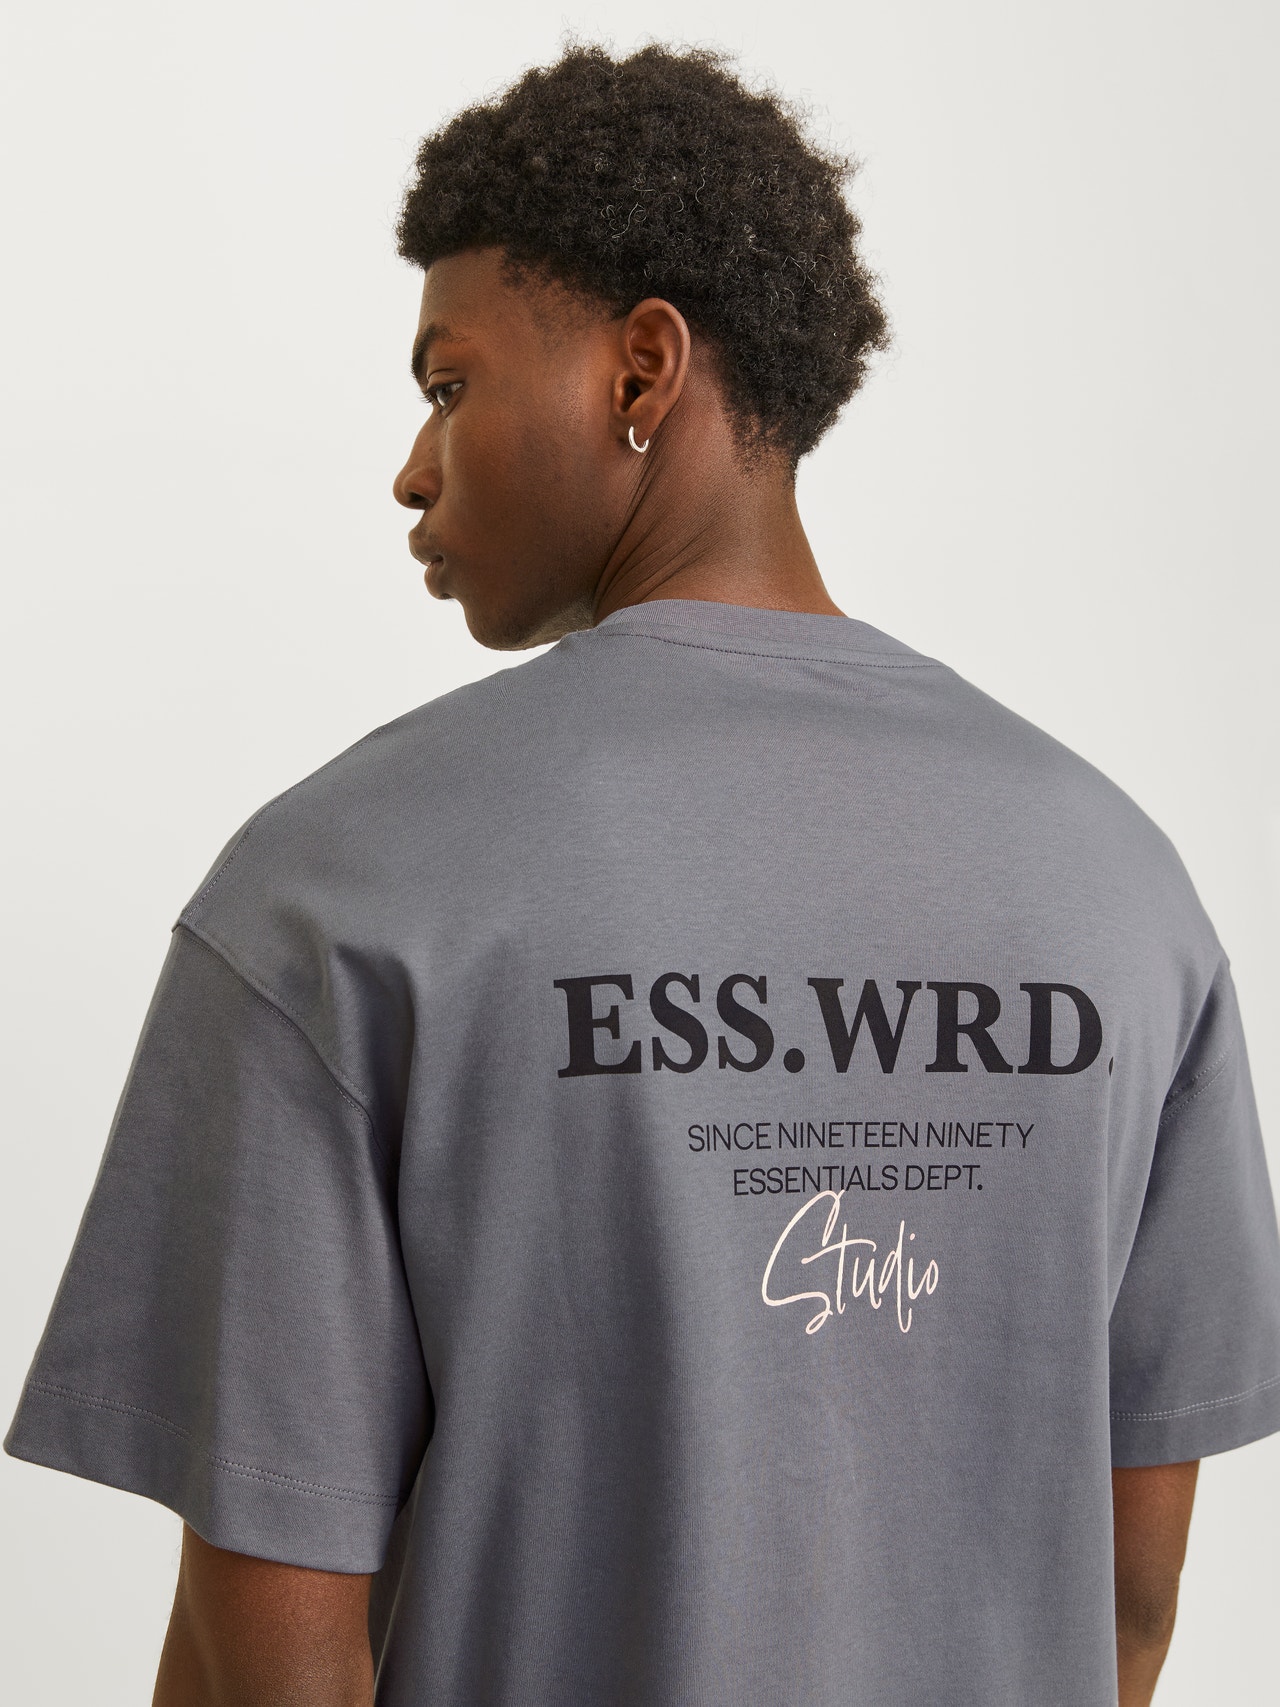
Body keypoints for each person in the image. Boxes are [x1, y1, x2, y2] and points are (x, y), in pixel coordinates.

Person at [6, 42, 1278, 1707]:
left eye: (448, 385)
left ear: (643, 369)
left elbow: (275, 1646)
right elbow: (1131, 1598)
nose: (412, 466)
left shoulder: (341, 881)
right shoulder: (1122, 887)